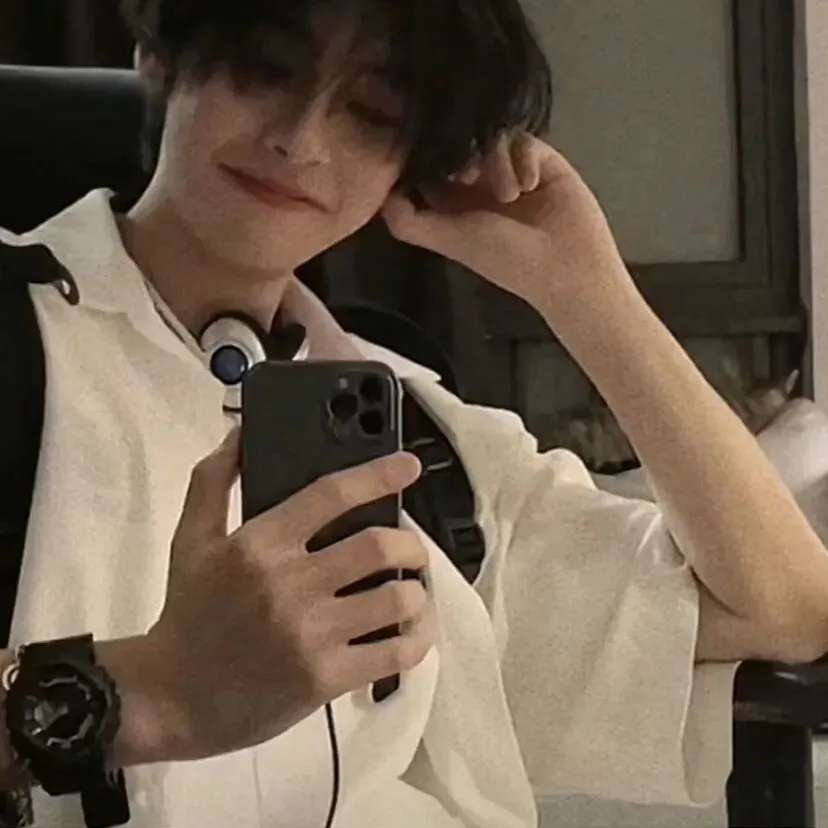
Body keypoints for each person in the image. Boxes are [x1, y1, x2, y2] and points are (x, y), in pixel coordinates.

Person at [1, 0, 828, 825]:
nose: (301, 141)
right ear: (161, 59)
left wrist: (586, 292)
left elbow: (784, 608)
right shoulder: (23, 335)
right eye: (265, 71)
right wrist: (152, 692)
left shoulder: (418, 436)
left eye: (372, 113)